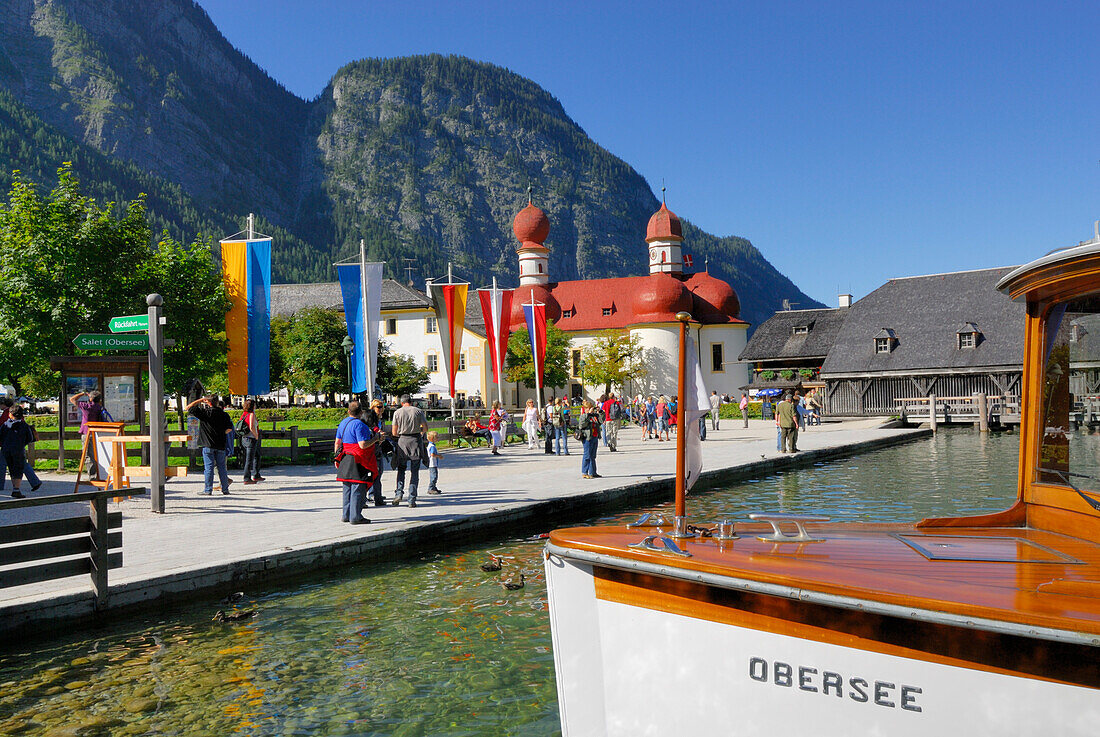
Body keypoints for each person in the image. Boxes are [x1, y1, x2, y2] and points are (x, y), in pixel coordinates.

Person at [334, 400, 378, 524]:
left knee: (347, 487)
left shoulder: (343, 423)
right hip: (358, 460)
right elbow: (362, 445)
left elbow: (337, 442)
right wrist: (376, 438)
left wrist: (336, 458)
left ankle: (346, 515)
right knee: (358, 487)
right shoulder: (360, 425)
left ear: (348, 411)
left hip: (345, 458)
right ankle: (356, 517)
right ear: (361, 412)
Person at [185, 395, 234, 495]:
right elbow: (229, 429)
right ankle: (225, 489)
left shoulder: (205, 413)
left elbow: (188, 407)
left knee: (209, 468)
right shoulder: (224, 415)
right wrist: (221, 433)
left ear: (208, 402)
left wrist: (200, 399)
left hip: (207, 444)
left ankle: (208, 490)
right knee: (222, 468)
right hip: (220, 444)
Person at [390, 394, 428, 507]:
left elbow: (394, 433)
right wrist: (419, 431)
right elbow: (426, 428)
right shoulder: (418, 411)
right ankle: (412, 499)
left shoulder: (397, 412)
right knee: (414, 471)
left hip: (402, 442)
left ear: (402, 403)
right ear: (411, 402)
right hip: (415, 440)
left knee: (401, 469)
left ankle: (399, 493)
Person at [70, 389, 109, 476]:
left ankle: (93, 475)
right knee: (98, 454)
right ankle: (102, 474)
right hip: (98, 433)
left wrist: (83, 394)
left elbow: (72, 399)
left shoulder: (87, 407)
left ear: (91, 398)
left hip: (87, 433)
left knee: (88, 455)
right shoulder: (100, 407)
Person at [1, 406, 34, 498]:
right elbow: (30, 438)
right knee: (18, 469)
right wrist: (22, 443)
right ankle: (16, 489)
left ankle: (14, 487)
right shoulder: (24, 425)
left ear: (10, 414)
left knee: (11, 469)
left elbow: (0, 436)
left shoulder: (5, 425)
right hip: (18, 450)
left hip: (6, 450)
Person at [367, 399, 389, 506]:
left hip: (377, 446)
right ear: (373, 407)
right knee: (374, 471)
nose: (380, 409)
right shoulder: (371, 417)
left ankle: (375, 493)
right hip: (372, 448)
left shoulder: (379, 418)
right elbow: (372, 427)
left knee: (379, 471)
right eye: (378, 407)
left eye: (381, 407)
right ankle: (372, 493)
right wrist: (379, 432)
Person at [239, 398, 264, 484]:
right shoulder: (251, 414)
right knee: (249, 459)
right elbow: (251, 427)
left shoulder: (244, 414)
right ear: (252, 406)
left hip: (244, 438)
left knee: (257, 455)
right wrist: (256, 435)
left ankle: (256, 474)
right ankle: (247, 478)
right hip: (251, 438)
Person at [578, 399, 602, 479]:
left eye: (591, 408)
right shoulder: (583, 416)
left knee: (593, 456)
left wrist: (600, 412)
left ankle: (593, 472)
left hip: (595, 437)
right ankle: (585, 472)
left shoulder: (594, 416)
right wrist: (587, 414)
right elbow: (581, 425)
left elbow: (601, 421)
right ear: (586, 409)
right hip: (587, 438)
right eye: (589, 408)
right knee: (587, 455)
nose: (591, 409)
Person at [425, 430, 442, 494]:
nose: (438, 438)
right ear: (432, 439)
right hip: (432, 463)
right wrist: (439, 456)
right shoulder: (432, 446)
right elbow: (432, 454)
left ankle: (434, 487)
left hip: (432, 463)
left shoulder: (430, 445)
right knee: (434, 476)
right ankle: (431, 488)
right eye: (437, 437)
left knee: (434, 476)